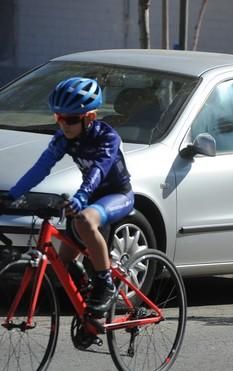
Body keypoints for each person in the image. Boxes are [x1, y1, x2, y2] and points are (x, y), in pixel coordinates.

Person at [2, 77, 134, 320]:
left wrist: (82, 195)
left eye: (71, 119)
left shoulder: (108, 137)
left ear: (90, 117)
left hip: (117, 195)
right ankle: (89, 317)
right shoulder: (64, 138)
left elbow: (98, 170)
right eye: (58, 118)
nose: (64, 125)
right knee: (61, 266)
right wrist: (11, 195)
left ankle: (105, 284)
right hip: (91, 198)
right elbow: (41, 168)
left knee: (84, 219)